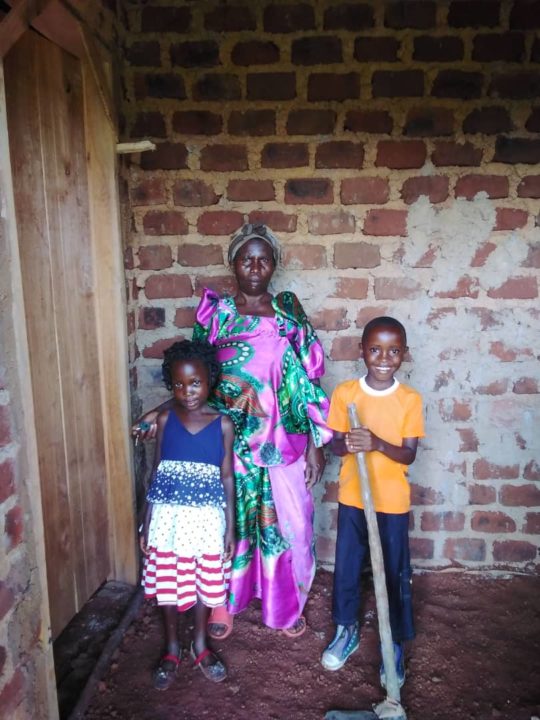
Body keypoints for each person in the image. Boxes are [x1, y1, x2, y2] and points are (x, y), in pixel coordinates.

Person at [135, 223, 331, 638]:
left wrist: (316, 443)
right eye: (247, 258)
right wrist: (160, 411)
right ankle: (224, 603)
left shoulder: (289, 312)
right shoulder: (216, 313)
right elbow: (193, 377)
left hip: (283, 439)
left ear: (275, 264)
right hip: (226, 441)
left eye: (263, 258)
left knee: (290, 524)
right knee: (226, 524)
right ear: (233, 263)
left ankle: (285, 605)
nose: (255, 266)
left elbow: (308, 380)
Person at [320, 316, 424, 689]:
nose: (384, 358)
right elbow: (332, 444)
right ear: (361, 351)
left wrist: (377, 443)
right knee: (348, 567)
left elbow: (409, 454)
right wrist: (346, 443)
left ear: (404, 355)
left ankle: (391, 642)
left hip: (392, 502)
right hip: (353, 498)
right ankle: (345, 628)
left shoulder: (409, 399)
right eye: (375, 350)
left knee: (394, 572)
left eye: (393, 351)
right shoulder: (347, 394)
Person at [139, 339, 235, 689]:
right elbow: (156, 471)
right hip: (168, 517)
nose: (187, 391)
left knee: (200, 583)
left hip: (207, 519)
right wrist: (146, 523)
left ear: (209, 380)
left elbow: (227, 477)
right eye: (179, 384)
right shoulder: (165, 419)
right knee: (168, 581)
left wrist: (230, 530)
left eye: (195, 383)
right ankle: (171, 648)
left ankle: (199, 645)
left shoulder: (223, 424)